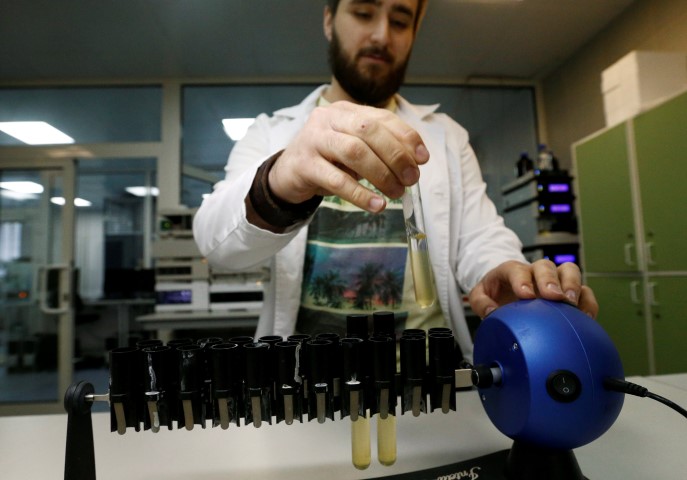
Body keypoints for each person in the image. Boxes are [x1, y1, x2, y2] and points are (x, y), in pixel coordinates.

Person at [193, 0, 597, 360]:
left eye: (400, 20)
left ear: (414, 33)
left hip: (426, 382)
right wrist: (281, 178)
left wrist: (508, 272)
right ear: (330, 20)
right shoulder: (271, 135)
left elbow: (480, 237)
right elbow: (216, 242)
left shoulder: (446, 136)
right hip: (308, 387)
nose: (381, 35)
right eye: (364, 12)